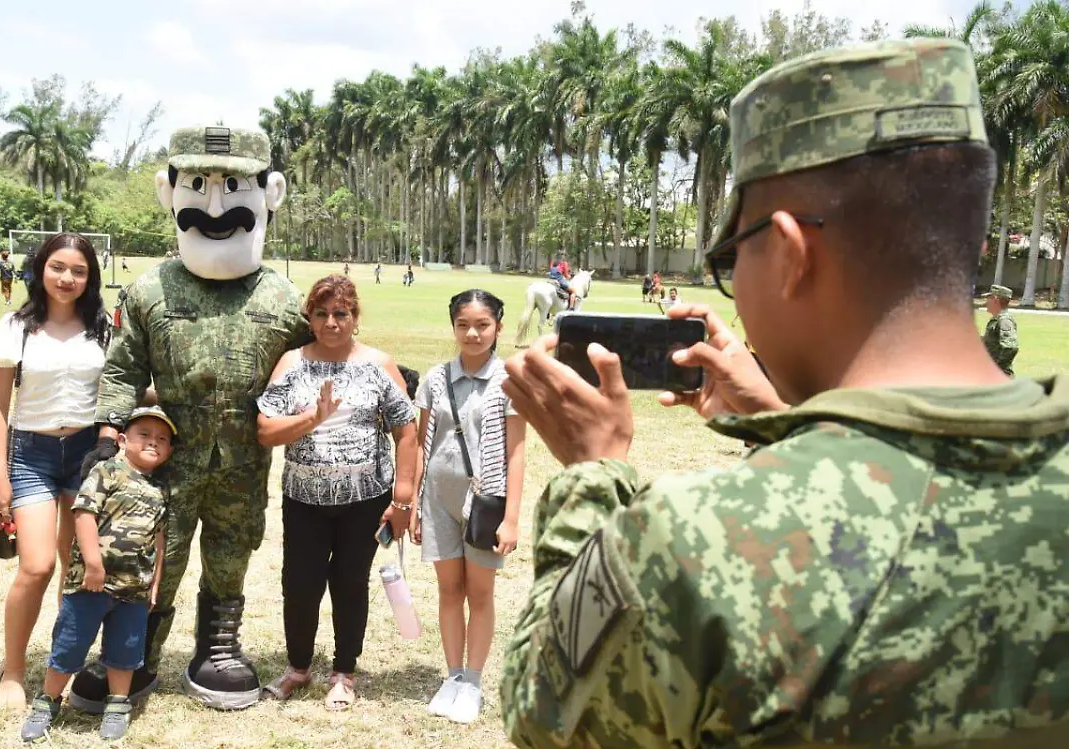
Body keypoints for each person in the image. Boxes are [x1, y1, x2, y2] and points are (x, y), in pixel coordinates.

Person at [498, 38, 1069, 747]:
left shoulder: (699, 543)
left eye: (731, 257)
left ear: (794, 253)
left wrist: (592, 471)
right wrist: (786, 417)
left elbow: (543, 714)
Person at [68, 126, 310, 713]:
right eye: (198, 185)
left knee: (230, 554)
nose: (216, 206)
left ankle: (218, 649)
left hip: (243, 461)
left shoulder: (283, 297)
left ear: (267, 193)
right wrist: (109, 431)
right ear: (170, 192)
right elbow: (122, 368)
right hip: (164, 460)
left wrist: (384, 373)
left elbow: (317, 358)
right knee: (154, 552)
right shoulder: (151, 289)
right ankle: (135, 653)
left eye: (234, 186)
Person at [256, 275, 417, 711]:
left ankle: (344, 671)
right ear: (309, 317)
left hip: (365, 501)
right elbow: (266, 430)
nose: (331, 322)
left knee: (350, 583)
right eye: (322, 313)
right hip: (304, 500)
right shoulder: (292, 363)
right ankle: (298, 667)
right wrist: (312, 417)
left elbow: (407, 432)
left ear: (355, 317)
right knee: (300, 585)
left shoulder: (379, 365)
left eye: (340, 314)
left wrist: (403, 499)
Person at [0, 233, 110, 711]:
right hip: (31, 452)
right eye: (57, 267)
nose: (67, 278)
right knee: (36, 565)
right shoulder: (16, 326)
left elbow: (123, 389)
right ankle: (12, 671)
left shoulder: (103, 328)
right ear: (40, 269)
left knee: (77, 569)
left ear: (90, 277)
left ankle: (64, 666)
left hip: (88, 453)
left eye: (78, 270)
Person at [19, 406, 174, 743]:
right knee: (70, 644)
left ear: (169, 452)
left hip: (133, 589)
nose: (153, 442)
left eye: (162, 439)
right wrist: (92, 564)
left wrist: (156, 580)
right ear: (121, 439)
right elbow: (84, 515)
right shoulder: (107, 472)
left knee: (126, 650)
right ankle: (48, 701)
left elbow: (158, 539)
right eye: (144, 434)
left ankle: (118, 704)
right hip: (91, 583)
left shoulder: (160, 489)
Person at [411, 290, 526, 724]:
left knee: (480, 594)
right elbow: (423, 445)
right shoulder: (435, 379)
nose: (473, 333)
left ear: (498, 325)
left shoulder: (510, 381)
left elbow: (517, 452)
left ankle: (474, 682)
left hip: (486, 502)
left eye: (482, 325)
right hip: (438, 499)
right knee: (448, 592)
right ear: (453, 327)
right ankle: (453, 676)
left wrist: (511, 518)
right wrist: (417, 503)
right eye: (464, 325)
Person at [982, 284, 1019, 376]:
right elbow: (995, 341)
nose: (986, 302)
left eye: (988, 299)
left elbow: (1010, 347)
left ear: (995, 299)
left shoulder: (1004, 320)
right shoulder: (998, 319)